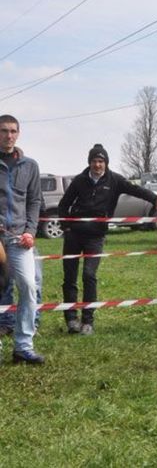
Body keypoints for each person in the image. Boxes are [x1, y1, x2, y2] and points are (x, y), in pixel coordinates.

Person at [59, 143, 157, 335]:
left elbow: (137, 190)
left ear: (106, 163)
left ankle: (88, 321)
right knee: (70, 278)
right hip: (74, 235)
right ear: (89, 162)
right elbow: (63, 205)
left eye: (101, 161)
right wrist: (66, 228)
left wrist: (155, 199)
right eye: (94, 161)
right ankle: (71, 319)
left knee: (89, 276)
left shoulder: (115, 180)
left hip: (96, 236)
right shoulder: (79, 180)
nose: (97, 165)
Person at [0, 114, 44, 364]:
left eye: (13, 131)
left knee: (28, 287)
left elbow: (35, 201)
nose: (9, 135)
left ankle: (23, 346)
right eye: (4, 131)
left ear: (18, 133)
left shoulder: (30, 166)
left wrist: (31, 230)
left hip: (19, 239)